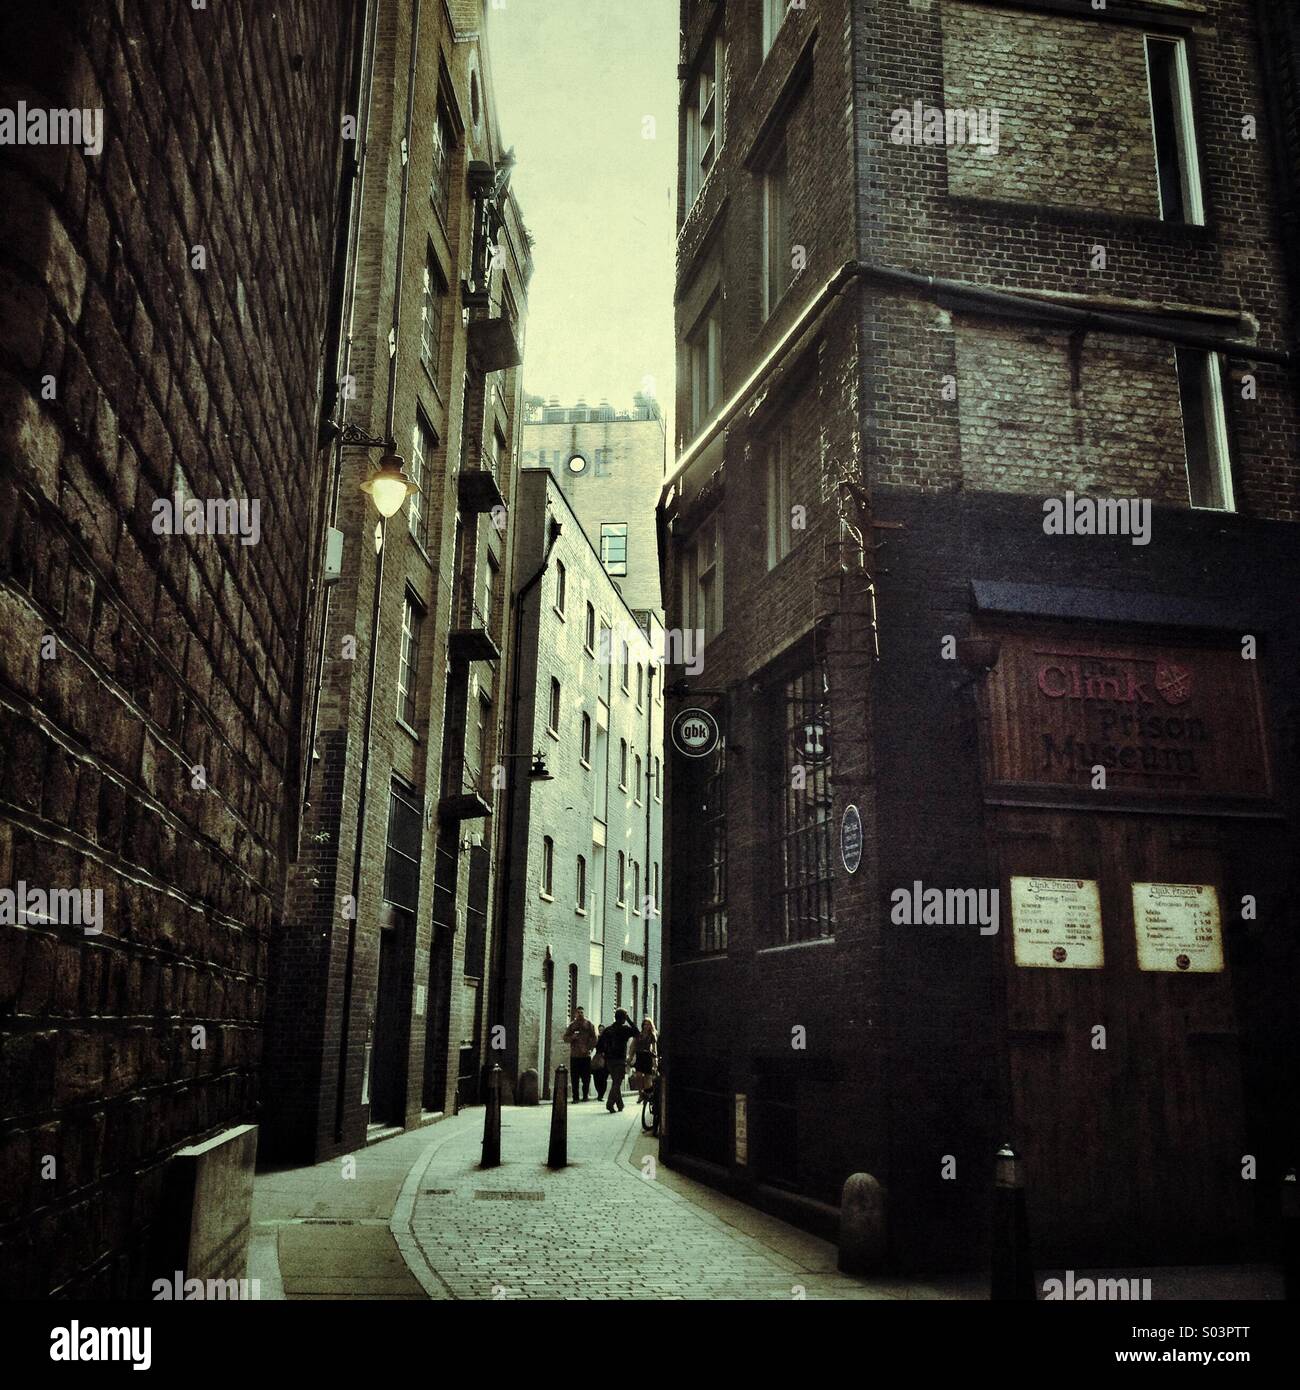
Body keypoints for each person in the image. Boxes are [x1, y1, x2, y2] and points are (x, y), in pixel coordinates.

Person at [597, 1008, 639, 1113]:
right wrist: (629, 1019)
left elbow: (600, 1045)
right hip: (620, 1060)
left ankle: (620, 1105)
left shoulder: (608, 1029)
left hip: (609, 1061)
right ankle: (610, 1104)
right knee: (617, 1083)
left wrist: (604, 1054)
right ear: (623, 1018)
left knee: (616, 1082)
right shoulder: (624, 1029)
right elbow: (637, 1032)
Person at [562, 1006, 598, 1102]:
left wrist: (589, 1048)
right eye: (578, 1012)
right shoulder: (572, 1026)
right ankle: (575, 1097)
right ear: (575, 1014)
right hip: (574, 1055)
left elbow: (594, 1038)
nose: (580, 1014)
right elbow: (565, 1038)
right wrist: (572, 1037)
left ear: (584, 1013)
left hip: (585, 1056)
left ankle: (585, 1096)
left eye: (581, 1012)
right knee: (575, 1077)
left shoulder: (589, 1024)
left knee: (586, 1077)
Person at [633, 1016, 658, 1099]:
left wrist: (655, 1061)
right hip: (639, 1056)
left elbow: (654, 1049)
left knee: (648, 1077)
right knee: (638, 1076)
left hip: (647, 1057)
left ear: (650, 1026)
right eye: (645, 1024)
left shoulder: (652, 1036)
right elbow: (633, 1046)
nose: (646, 1026)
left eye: (648, 1024)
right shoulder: (638, 1035)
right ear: (642, 1025)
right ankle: (640, 1093)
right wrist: (630, 1057)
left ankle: (648, 1094)